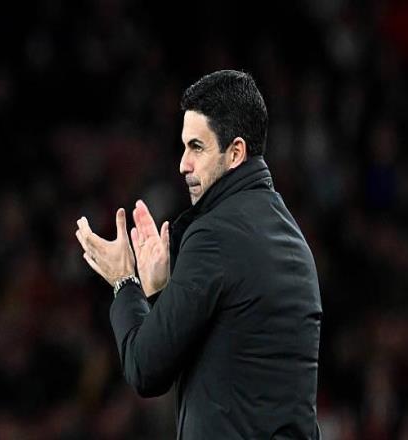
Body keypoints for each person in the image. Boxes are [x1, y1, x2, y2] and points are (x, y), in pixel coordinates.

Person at [75, 69, 322, 439]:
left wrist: (124, 281)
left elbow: (145, 368)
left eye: (197, 147)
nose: (183, 164)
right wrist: (159, 293)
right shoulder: (290, 236)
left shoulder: (216, 235)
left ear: (235, 152)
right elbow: (217, 358)